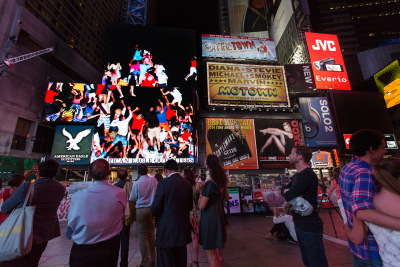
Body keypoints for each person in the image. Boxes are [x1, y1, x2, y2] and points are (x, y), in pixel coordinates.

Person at [339, 129, 400, 266]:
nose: (385, 151)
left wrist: (348, 229)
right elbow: (361, 211)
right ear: (372, 149)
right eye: (383, 148)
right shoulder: (365, 173)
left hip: (360, 248)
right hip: (373, 250)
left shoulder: (348, 168)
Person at [1, 160, 66, 267]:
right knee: (33, 262)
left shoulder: (27, 187)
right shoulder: (61, 188)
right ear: (56, 172)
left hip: (23, 232)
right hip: (44, 234)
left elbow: (5, 208)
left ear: (38, 173)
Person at [66, 159, 127, 267]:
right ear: (109, 173)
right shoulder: (120, 193)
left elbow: (71, 222)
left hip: (82, 247)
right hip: (109, 246)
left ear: (89, 174)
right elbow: (123, 216)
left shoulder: (78, 196)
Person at [281, 146, 329, 267]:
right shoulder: (298, 175)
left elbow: (288, 195)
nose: (289, 155)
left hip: (309, 225)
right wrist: (288, 192)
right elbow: (283, 189)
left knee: (316, 262)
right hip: (300, 224)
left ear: (300, 157)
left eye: (292, 153)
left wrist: (288, 192)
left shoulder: (307, 174)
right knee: (308, 261)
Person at [151, 160, 193, 267]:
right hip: (182, 232)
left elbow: (156, 208)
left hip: (166, 233)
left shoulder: (163, 183)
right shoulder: (187, 184)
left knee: (166, 262)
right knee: (181, 262)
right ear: (177, 169)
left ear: (166, 170)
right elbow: (190, 207)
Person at [198, 154, 228, 267]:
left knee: (210, 254)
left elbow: (201, 205)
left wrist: (200, 198)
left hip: (210, 218)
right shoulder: (221, 182)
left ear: (207, 165)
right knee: (214, 253)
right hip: (218, 215)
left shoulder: (209, 184)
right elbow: (226, 197)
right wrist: (216, 202)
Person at [129, 164, 158, 267]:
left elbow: (132, 198)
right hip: (152, 210)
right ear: (147, 170)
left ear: (139, 172)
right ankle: (153, 258)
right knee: (151, 233)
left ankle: (145, 261)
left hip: (140, 210)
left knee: (142, 236)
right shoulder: (154, 181)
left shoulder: (136, 183)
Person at [114, 169, 135, 267]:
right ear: (127, 176)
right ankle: (124, 262)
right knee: (125, 239)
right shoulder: (131, 186)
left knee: (113, 239)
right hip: (127, 214)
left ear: (118, 176)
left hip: (116, 216)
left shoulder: (114, 187)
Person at [182, 168, 200, 267]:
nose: (181, 174)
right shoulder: (195, 186)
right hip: (193, 214)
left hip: (183, 214)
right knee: (194, 238)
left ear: (186, 175)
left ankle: (183, 262)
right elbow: (197, 202)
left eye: (182, 173)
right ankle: (195, 261)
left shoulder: (182, 185)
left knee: (182, 238)